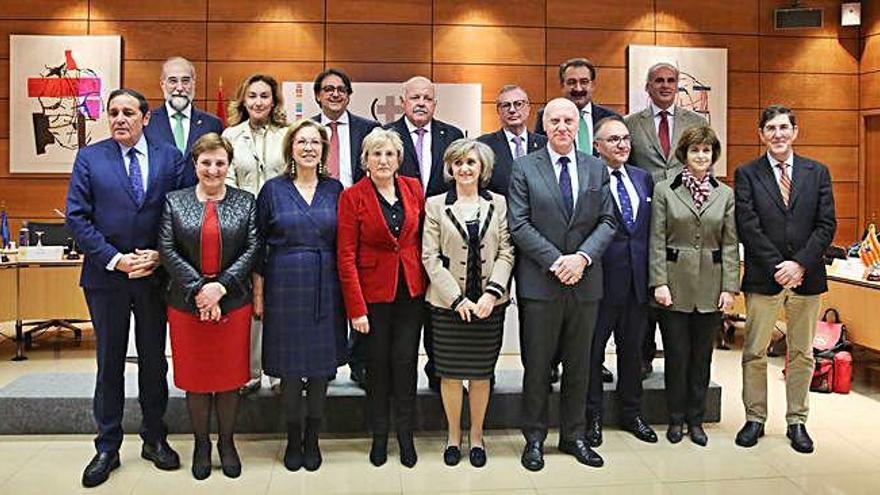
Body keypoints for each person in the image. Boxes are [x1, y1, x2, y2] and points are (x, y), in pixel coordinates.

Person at [66, 88, 185, 488]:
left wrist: (159, 255)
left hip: (154, 278)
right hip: (107, 278)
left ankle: (155, 438)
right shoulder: (90, 158)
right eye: (114, 112)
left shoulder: (170, 157)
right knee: (109, 362)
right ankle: (107, 446)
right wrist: (116, 259)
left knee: (154, 361)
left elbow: (182, 212)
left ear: (145, 118)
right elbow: (78, 218)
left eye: (128, 112)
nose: (119, 118)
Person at [508, 97, 616, 471]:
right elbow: (518, 224)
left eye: (569, 120)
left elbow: (608, 221)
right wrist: (556, 261)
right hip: (540, 283)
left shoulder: (596, 168)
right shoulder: (524, 168)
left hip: (585, 283)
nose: (562, 127)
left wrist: (581, 258)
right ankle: (534, 439)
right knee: (536, 366)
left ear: (577, 126)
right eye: (554, 120)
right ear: (544, 125)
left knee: (580, 366)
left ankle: (574, 436)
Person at [734, 105, 836, 454]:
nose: (777, 134)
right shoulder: (747, 173)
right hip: (765, 276)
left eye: (783, 128)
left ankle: (797, 421)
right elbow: (747, 225)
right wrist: (780, 265)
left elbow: (827, 225)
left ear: (795, 131)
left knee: (802, 352)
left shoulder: (817, 172)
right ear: (761, 134)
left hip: (807, 278)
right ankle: (755, 418)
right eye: (770, 129)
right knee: (754, 351)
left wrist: (800, 264)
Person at [158, 133, 259, 480]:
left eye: (220, 163)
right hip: (187, 305)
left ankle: (227, 444)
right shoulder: (175, 201)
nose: (213, 169)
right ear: (195, 165)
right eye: (206, 162)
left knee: (230, 379)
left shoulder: (246, 202)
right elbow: (167, 248)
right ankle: (201, 444)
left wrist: (220, 287)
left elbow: (252, 248)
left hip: (233, 302)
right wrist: (201, 289)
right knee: (197, 380)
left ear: (228, 166)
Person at [256, 119, 346, 472]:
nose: (309, 148)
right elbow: (259, 246)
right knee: (291, 371)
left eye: (315, 143)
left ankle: (313, 437)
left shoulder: (336, 189)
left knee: (321, 371)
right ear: (290, 148)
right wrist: (260, 295)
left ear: (324, 150)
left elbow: (346, 244)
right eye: (301, 142)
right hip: (284, 285)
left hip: (327, 283)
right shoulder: (273, 190)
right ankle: (293, 437)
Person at [422, 139, 514, 468]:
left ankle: (476, 436)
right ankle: (453, 436)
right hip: (448, 306)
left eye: (471, 163)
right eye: (458, 163)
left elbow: (507, 251)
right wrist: (457, 298)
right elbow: (429, 258)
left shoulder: (499, 204)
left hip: (490, 305)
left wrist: (491, 294)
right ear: (449, 168)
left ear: (482, 168)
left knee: (480, 375)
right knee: (449, 375)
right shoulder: (435, 205)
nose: (464, 168)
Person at [337, 128, 426, 468]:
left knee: (405, 364)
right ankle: (379, 435)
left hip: (410, 292)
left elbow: (420, 242)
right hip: (372, 296)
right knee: (376, 367)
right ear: (366, 160)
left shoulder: (413, 188)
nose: (383, 160)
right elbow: (345, 256)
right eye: (376, 154)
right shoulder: (353, 196)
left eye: (389, 154)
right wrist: (355, 309)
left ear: (398, 158)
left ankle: (405, 434)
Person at [648, 125, 739, 446]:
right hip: (673, 286)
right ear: (684, 155)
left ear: (714, 155)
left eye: (706, 151)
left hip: (711, 288)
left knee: (702, 359)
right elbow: (657, 239)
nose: (701, 156)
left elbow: (730, 244)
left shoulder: (725, 194)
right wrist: (659, 281)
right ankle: (675, 419)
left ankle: (695, 419)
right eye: (695, 151)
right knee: (677, 356)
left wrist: (730, 288)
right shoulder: (665, 190)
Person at [625, 62, 707, 378]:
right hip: (645, 217)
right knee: (646, 291)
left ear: (678, 86)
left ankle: (679, 359)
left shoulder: (695, 121)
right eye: (658, 80)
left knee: (680, 284)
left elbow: (704, 162)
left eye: (671, 80)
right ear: (647, 86)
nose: (665, 85)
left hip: (686, 217)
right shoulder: (631, 124)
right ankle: (643, 356)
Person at [385, 76, 464, 391]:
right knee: (402, 313)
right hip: (399, 240)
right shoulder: (387, 136)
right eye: (415, 97)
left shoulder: (453, 136)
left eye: (427, 98)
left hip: (443, 241)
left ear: (435, 103)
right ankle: (394, 377)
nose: (421, 103)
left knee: (439, 309)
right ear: (403, 101)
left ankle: (439, 371)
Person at [585, 116, 657, 448]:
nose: (622, 144)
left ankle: (632, 413)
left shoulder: (644, 179)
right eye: (613, 139)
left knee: (632, 354)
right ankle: (593, 417)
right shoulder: (588, 179)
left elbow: (650, 232)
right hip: (599, 284)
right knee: (592, 355)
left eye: (626, 138)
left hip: (637, 284)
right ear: (597, 146)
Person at [310, 67, 381, 386]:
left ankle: (360, 361)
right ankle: (325, 358)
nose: (335, 94)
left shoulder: (369, 129)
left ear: (350, 95)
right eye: (328, 89)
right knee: (326, 292)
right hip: (318, 218)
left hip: (361, 219)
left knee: (359, 289)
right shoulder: (305, 130)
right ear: (317, 96)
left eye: (341, 89)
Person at [222, 74, 289, 395]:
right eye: (252, 96)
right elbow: (227, 180)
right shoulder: (230, 135)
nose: (259, 102)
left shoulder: (287, 134)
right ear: (243, 100)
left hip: (281, 227)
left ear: (274, 101)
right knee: (248, 301)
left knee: (277, 300)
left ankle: (277, 371)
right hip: (243, 227)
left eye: (265, 96)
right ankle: (249, 371)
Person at [144, 56, 223, 187]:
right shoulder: (147, 122)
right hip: (159, 203)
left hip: (198, 202)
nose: (179, 88)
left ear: (194, 83)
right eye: (173, 81)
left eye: (185, 81)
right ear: (162, 84)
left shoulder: (212, 124)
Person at [535, 58, 620, 157]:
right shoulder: (547, 116)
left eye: (584, 82)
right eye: (572, 82)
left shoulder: (610, 118)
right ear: (562, 85)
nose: (578, 88)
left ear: (592, 85)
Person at [477, 85, 547, 196]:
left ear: (528, 108)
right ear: (498, 111)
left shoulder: (545, 144)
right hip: (501, 211)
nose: (512, 110)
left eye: (518, 104)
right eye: (506, 105)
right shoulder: (483, 145)